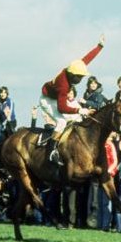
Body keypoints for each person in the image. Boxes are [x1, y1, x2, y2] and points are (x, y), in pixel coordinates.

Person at [39, 35, 105, 164]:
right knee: (62, 122)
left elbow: (86, 59)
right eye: (80, 77)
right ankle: (50, 152)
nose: (81, 79)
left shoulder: (73, 68)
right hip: (47, 100)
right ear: (73, 75)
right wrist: (80, 110)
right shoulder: (63, 86)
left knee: (74, 119)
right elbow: (62, 108)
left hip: (55, 97)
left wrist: (99, 46)